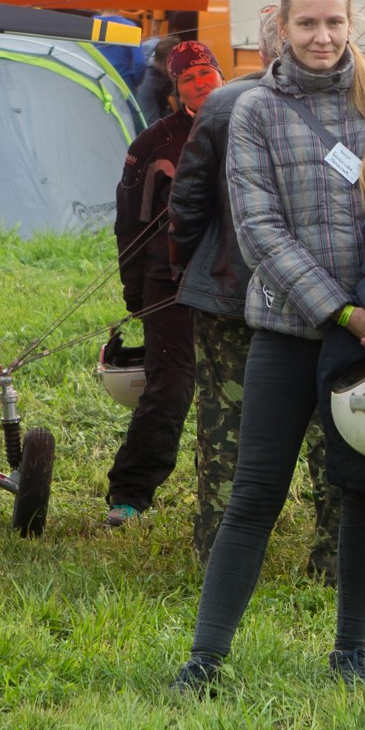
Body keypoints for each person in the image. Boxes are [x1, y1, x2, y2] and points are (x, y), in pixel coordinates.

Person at [173, 0, 365, 692]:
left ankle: (352, 655)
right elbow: (259, 231)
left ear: (351, 25)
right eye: (307, 24)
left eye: (333, 22)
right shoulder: (255, 111)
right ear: (282, 28)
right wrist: (340, 310)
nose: (322, 36)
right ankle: (206, 660)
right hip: (289, 332)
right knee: (253, 495)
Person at [169, 10, 341, 579]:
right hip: (326, 295)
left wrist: (192, 265)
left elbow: (186, 204)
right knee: (334, 425)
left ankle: (218, 556)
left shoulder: (221, 105)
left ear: (261, 51)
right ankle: (336, 556)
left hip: (232, 293)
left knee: (226, 429)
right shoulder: (355, 100)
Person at [104, 41, 224, 527]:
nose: (200, 83)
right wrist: (135, 294)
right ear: (174, 90)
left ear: (221, 76)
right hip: (167, 279)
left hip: (234, 279)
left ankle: (230, 496)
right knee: (170, 387)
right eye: (188, 78)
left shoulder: (250, 125)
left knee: (238, 390)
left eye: (207, 72)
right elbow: (129, 225)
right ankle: (129, 495)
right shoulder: (151, 144)